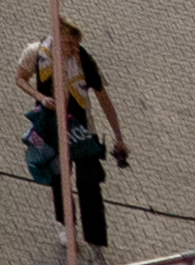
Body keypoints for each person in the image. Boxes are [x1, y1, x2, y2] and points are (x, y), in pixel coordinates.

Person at [21, 23, 122, 251]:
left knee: (89, 181)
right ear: (56, 40)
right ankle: (67, 227)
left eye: (76, 44)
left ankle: (96, 239)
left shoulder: (84, 60)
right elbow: (20, 77)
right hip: (52, 129)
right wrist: (39, 96)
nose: (73, 48)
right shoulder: (37, 53)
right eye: (68, 43)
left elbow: (104, 98)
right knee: (59, 179)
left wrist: (119, 136)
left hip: (83, 131)